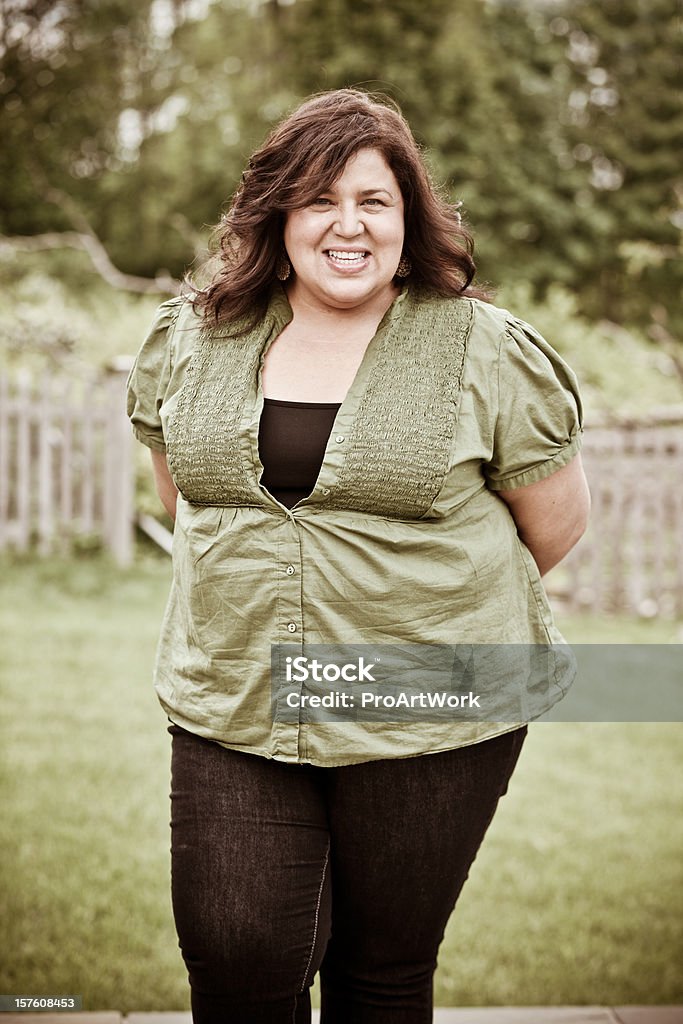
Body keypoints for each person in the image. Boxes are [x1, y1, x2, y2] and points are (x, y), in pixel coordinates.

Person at [127, 88, 590, 1023]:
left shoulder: (483, 348)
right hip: (236, 694)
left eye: (374, 202)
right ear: (279, 216)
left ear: (408, 217)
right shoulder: (191, 336)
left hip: (427, 698)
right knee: (236, 960)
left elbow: (554, 526)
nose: (348, 226)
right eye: (319, 199)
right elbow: (184, 501)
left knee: (381, 971)